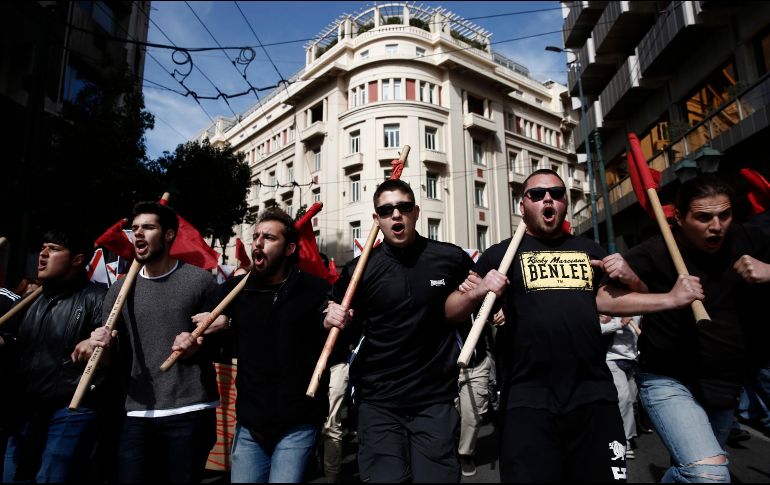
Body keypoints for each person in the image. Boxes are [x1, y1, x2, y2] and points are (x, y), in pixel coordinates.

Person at [445, 169, 699, 482]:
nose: (547, 199)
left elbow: (608, 300)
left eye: (556, 193)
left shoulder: (590, 250)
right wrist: (481, 289)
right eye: (537, 194)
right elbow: (452, 310)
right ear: (522, 205)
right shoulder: (500, 255)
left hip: (593, 395)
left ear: (565, 203)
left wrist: (658, 291)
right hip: (527, 400)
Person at [599, 175, 770, 482]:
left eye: (724, 215)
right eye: (703, 218)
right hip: (668, 378)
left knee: (696, 471)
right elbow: (602, 299)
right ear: (678, 217)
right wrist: (670, 298)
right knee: (708, 474)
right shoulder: (657, 249)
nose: (716, 226)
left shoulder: (748, 237)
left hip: (725, 383)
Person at [324, 179, 474, 482]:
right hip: (378, 402)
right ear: (376, 219)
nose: (396, 214)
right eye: (386, 210)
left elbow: (478, 295)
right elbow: (332, 311)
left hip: (434, 400)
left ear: (416, 212)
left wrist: (489, 303)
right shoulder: (358, 270)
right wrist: (331, 315)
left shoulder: (450, 257)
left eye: (404, 207)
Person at [196, 208, 331, 483]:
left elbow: (333, 350)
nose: (258, 243)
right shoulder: (234, 290)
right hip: (250, 424)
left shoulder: (315, 290)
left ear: (289, 248)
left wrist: (335, 322)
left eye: (269, 237)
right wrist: (203, 333)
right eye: (256, 236)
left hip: (297, 423)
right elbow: (208, 343)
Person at [90, 201, 219, 483]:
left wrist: (197, 345)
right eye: (135, 228)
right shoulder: (119, 290)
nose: (138, 233)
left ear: (169, 235)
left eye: (148, 227)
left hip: (189, 410)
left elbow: (218, 344)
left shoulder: (199, 281)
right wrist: (100, 347)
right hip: (137, 411)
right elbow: (111, 360)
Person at [0, 229, 107, 482]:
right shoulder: (27, 302)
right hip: (26, 410)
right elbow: (14, 345)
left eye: (54, 249)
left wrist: (98, 343)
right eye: (43, 248)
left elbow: (112, 351)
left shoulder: (98, 300)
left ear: (77, 259)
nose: (43, 255)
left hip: (70, 410)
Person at [454, 310, 500, 477]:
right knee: (449, 416)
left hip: (476, 365)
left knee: (473, 416)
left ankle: (465, 453)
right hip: (443, 368)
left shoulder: (481, 295)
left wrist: (502, 311)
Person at [599, 314, 641, 459]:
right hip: (611, 358)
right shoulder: (609, 308)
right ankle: (623, 441)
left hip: (632, 359)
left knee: (633, 400)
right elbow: (596, 328)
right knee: (624, 398)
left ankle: (619, 432)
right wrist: (619, 323)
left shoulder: (639, 309)